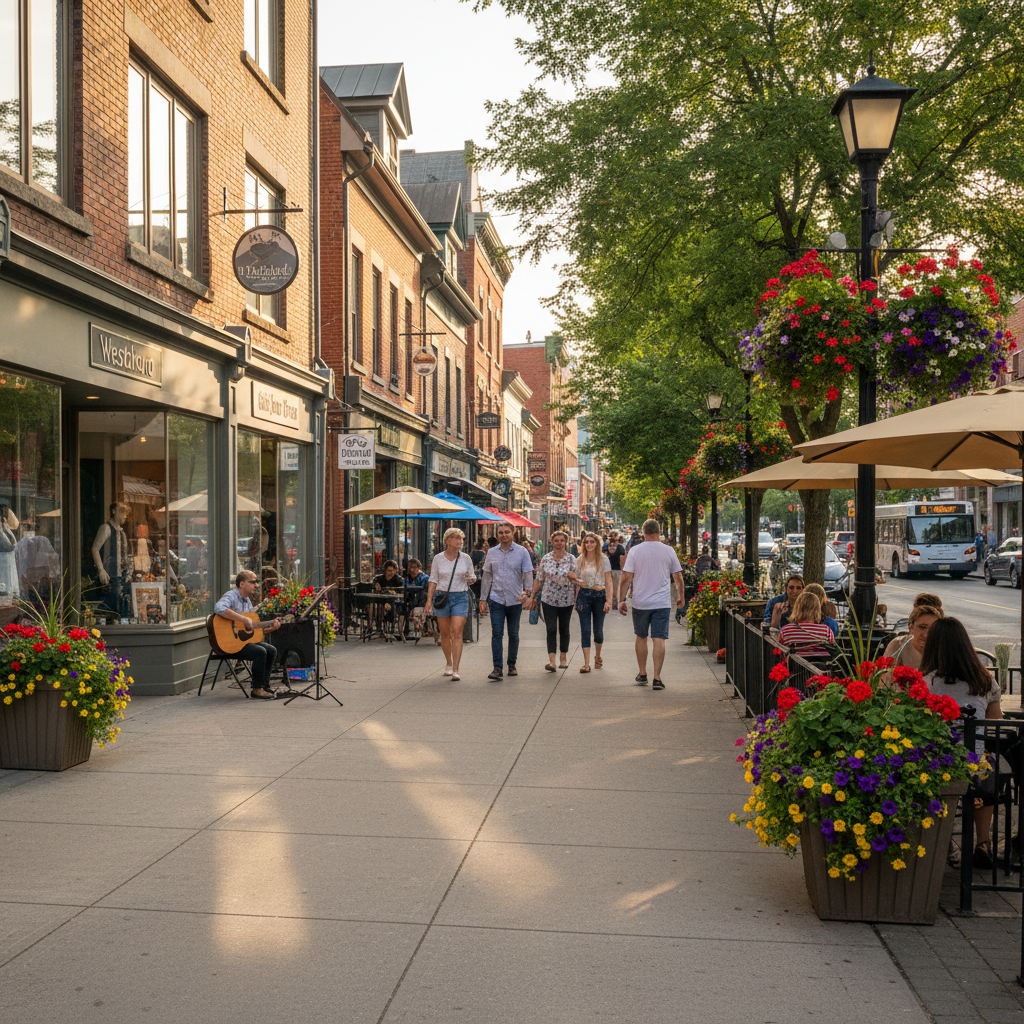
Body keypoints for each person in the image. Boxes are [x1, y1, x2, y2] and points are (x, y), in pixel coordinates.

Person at [920, 617, 1002, 868]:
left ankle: (944, 842)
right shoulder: (985, 680)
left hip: (936, 765)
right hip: (975, 768)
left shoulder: (925, 683)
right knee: (989, 765)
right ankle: (983, 843)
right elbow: (994, 723)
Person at [618, 518, 683, 691]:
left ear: (643, 532)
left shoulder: (635, 551)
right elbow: (678, 577)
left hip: (641, 602)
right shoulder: (668, 551)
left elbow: (626, 577)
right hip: (662, 602)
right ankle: (657, 678)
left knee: (641, 636)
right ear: (659, 531)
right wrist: (681, 597)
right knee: (659, 638)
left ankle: (642, 673)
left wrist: (621, 599)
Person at [479, 521, 534, 680]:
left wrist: (527, 592)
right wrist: (483, 599)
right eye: (501, 532)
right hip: (496, 599)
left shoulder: (522, 552)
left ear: (513, 533)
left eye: (506, 532)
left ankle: (511, 664)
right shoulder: (492, 552)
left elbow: (528, 573)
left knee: (513, 634)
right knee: (496, 634)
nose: (503, 535)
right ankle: (497, 668)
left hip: (515, 599)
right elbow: (487, 576)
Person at [213, 570, 280, 699]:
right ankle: (257, 689)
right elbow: (219, 608)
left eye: (256, 582)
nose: (256, 585)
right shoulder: (231, 596)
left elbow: (251, 628)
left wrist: (268, 627)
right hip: (228, 644)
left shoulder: (247, 601)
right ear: (242, 584)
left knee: (271, 650)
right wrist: (243, 619)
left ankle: (264, 686)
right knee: (260, 651)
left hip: (242, 642)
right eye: (253, 582)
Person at [425, 528, 476, 681]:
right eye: (456, 538)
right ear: (447, 541)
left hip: (460, 596)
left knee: (457, 633)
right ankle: (448, 662)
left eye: (461, 539)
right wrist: (429, 601)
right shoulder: (438, 558)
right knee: (445, 634)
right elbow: (433, 579)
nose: (460, 541)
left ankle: (456, 669)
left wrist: (470, 580)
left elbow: (472, 577)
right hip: (442, 597)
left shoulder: (466, 558)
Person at [529, 530, 577, 672]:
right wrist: (532, 596)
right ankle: (552, 661)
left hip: (566, 599)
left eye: (562, 540)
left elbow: (576, 579)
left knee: (564, 628)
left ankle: (563, 656)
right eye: (556, 540)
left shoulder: (571, 559)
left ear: (566, 542)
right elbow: (539, 579)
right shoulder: (546, 559)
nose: (559, 543)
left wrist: (574, 578)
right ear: (552, 542)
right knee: (550, 629)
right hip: (548, 599)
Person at [568, 532, 613, 672]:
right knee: (585, 630)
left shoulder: (604, 559)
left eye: (592, 542)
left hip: (600, 596)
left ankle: (597, 656)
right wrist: (577, 580)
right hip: (584, 596)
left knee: (598, 630)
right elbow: (571, 575)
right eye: (586, 542)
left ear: (597, 544)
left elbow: (609, 581)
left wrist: (609, 601)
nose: (589, 544)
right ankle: (586, 664)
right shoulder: (579, 559)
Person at [883, 603, 944, 669]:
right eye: (922, 627)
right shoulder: (898, 645)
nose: (926, 635)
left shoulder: (943, 650)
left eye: (933, 629)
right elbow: (884, 676)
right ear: (911, 628)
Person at [778, 592, 835, 660]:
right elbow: (832, 653)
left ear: (797, 608)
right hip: (821, 669)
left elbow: (781, 654)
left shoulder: (786, 630)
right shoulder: (826, 631)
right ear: (817, 610)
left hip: (794, 669)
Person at [604, 533, 626, 602]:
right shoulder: (620, 547)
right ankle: (615, 602)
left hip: (608, 569)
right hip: (618, 570)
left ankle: (608, 600)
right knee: (616, 587)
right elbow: (624, 558)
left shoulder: (606, 546)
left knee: (608, 586)